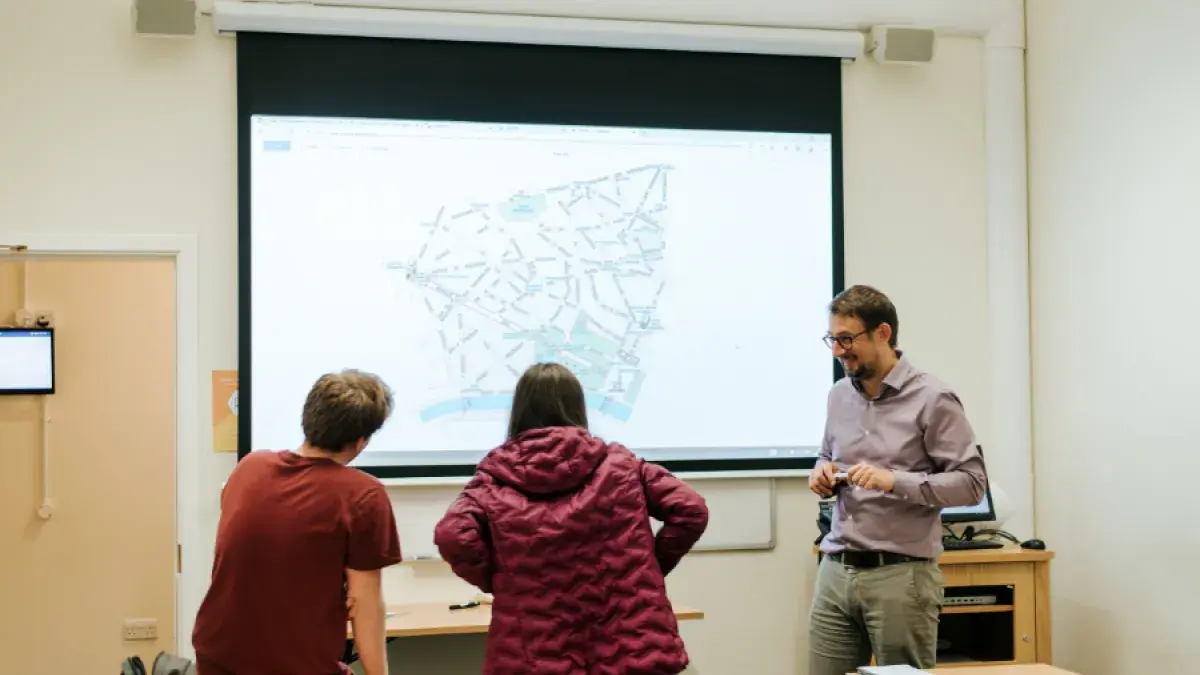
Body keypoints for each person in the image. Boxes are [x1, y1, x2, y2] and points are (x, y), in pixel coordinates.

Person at [434, 362, 709, 675]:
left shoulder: (494, 479)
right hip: (630, 650)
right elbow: (691, 510)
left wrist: (498, 579)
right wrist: (648, 570)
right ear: (579, 408)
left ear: (519, 412)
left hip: (535, 656)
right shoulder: (622, 464)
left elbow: (452, 535)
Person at [807, 285, 987, 674]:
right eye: (832, 340)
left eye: (847, 339)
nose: (838, 351)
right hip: (835, 569)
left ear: (883, 333)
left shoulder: (933, 398)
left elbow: (972, 483)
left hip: (900, 576)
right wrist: (821, 471)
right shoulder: (839, 395)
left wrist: (894, 481)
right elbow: (827, 454)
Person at [193, 370, 403, 675]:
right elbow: (364, 604)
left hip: (216, 656)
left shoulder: (250, 467)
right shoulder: (364, 495)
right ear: (361, 441)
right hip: (292, 665)